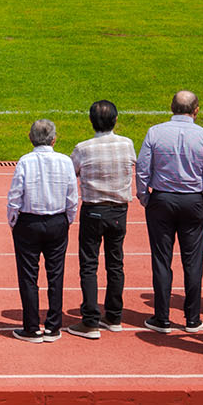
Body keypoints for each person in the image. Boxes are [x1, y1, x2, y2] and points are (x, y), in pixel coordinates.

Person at [137, 90, 203, 332]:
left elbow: (143, 168)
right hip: (193, 200)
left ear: (171, 107)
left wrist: (145, 196)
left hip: (161, 200)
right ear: (196, 110)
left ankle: (161, 318)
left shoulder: (155, 132)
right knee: (193, 261)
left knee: (161, 260)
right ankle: (192, 318)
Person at [67, 100, 135, 339]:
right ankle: (114, 316)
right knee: (115, 263)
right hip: (118, 211)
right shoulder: (127, 144)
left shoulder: (83, 148)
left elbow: (71, 172)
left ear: (91, 121)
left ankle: (90, 321)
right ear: (115, 120)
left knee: (89, 265)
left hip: (94, 210)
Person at [7, 119, 79, 342]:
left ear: (30, 138)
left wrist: (14, 220)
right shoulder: (65, 161)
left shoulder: (25, 161)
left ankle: (31, 327)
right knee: (55, 273)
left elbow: (15, 195)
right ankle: (53, 326)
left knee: (28, 275)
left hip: (28, 222)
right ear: (54, 139)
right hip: (57, 221)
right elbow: (72, 194)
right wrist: (68, 219)